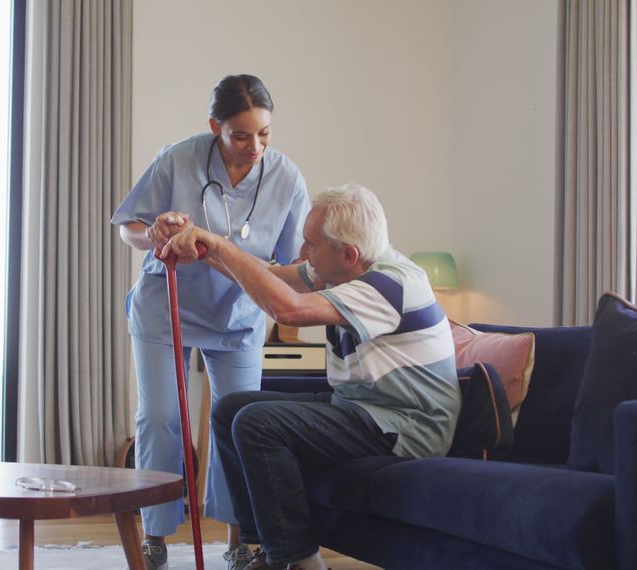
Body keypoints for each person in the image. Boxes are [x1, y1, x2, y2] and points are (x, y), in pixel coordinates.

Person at [163, 183, 461, 570]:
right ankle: (270, 551)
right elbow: (271, 276)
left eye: (310, 244)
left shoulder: (390, 284)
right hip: (365, 406)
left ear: (349, 254)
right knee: (231, 408)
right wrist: (204, 251)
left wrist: (219, 246)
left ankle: (300, 560)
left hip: (406, 423)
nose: (303, 253)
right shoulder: (344, 268)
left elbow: (287, 310)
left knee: (258, 423)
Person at [110, 74, 310, 570]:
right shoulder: (178, 158)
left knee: (240, 424)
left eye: (264, 133)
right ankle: (155, 536)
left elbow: (297, 266)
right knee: (160, 417)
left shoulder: (286, 177)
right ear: (215, 128)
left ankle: (238, 539)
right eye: (240, 135)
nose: (254, 146)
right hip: (167, 304)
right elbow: (128, 227)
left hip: (238, 315)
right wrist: (155, 233)